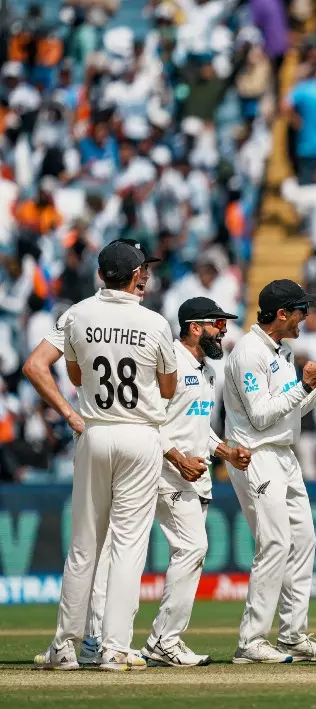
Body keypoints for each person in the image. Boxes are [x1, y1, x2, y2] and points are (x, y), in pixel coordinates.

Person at [35, 240, 178, 672]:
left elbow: (57, 370)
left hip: (94, 430)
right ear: (136, 276)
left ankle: (63, 647)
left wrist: (71, 415)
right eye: (144, 272)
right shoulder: (153, 322)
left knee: (83, 547)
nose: (147, 277)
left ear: (101, 276)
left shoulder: (78, 313)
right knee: (129, 547)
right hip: (140, 435)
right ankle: (115, 647)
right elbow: (169, 388)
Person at [224, 279, 316, 665]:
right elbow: (259, 416)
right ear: (281, 314)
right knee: (274, 544)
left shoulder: (283, 348)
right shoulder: (248, 352)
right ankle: (251, 641)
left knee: (304, 539)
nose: (304, 318)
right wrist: (305, 386)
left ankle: (292, 634)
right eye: (299, 311)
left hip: (284, 454)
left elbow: (289, 411)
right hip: (257, 455)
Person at [141, 298, 250, 667]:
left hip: (193, 477)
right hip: (163, 472)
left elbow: (197, 428)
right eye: (218, 323)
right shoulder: (168, 363)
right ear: (194, 327)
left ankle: (151, 640)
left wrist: (226, 451)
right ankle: (162, 640)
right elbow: (149, 422)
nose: (224, 330)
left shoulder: (207, 371)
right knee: (192, 549)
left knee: (188, 554)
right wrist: (177, 459)